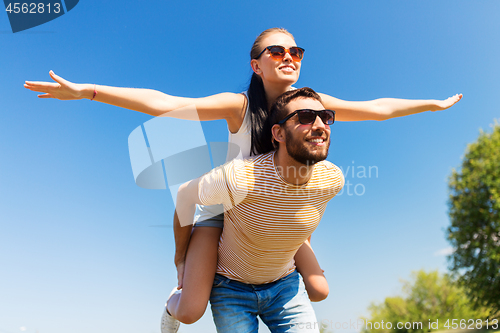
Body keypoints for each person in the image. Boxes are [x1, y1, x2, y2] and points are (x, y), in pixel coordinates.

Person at [23, 28, 463, 332]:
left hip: (279, 210)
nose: (289, 57)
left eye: (296, 52)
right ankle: (174, 294)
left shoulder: (312, 105)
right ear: (257, 64)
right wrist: (91, 90)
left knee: (320, 288)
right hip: (226, 209)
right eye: (276, 51)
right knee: (193, 308)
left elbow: (377, 107)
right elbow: (167, 102)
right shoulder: (239, 106)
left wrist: (431, 104)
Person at [174, 87, 343, 332]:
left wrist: (303, 246)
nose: (319, 125)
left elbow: (306, 213)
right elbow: (184, 196)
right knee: (190, 312)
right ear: (278, 133)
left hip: (284, 286)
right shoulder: (240, 178)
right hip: (231, 288)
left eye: (326, 117)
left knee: (320, 291)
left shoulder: (332, 179)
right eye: (305, 118)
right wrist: (180, 257)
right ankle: (172, 303)